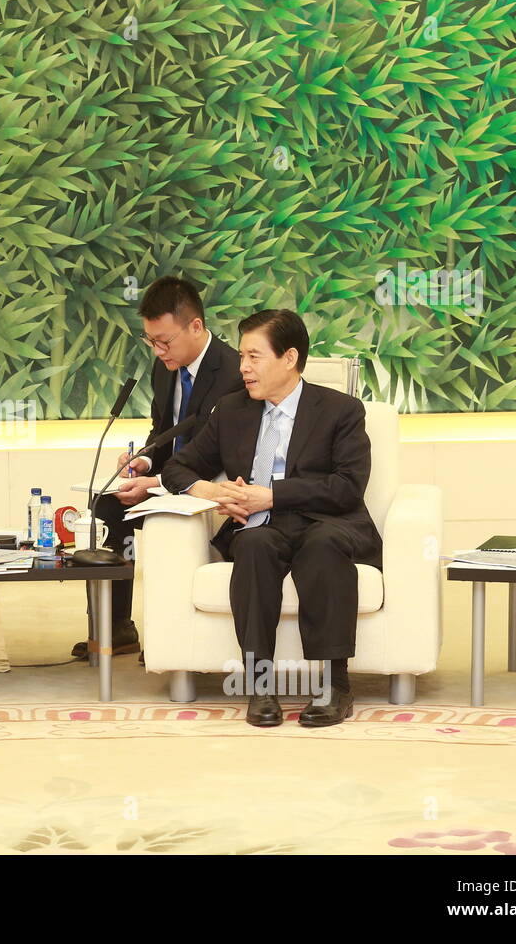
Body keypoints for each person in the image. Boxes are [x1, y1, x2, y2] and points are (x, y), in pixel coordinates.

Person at [162, 309, 381, 728]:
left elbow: (348, 486)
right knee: (253, 545)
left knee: (322, 546)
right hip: (262, 529)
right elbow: (178, 468)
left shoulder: (341, 410)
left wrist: (272, 495)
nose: (242, 367)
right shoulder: (231, 411)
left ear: (289, 358)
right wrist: (212, 491)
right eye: (242, 356)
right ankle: (260, 686)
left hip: (325, 522)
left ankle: (335, 685)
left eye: (253, 356)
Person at [73, 276, 243, 659]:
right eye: (151, 341)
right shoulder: (164, 368)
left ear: (195, 326)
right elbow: (165, 430)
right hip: (168, 476)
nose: (158, 350)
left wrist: (158, 482)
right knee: (105, 506)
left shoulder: (233, 372)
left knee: (165, 522)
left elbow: (216, 453)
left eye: (164, 341)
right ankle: (114, 627)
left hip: (210, 485)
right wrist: (144, 460)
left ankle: (172, 636)